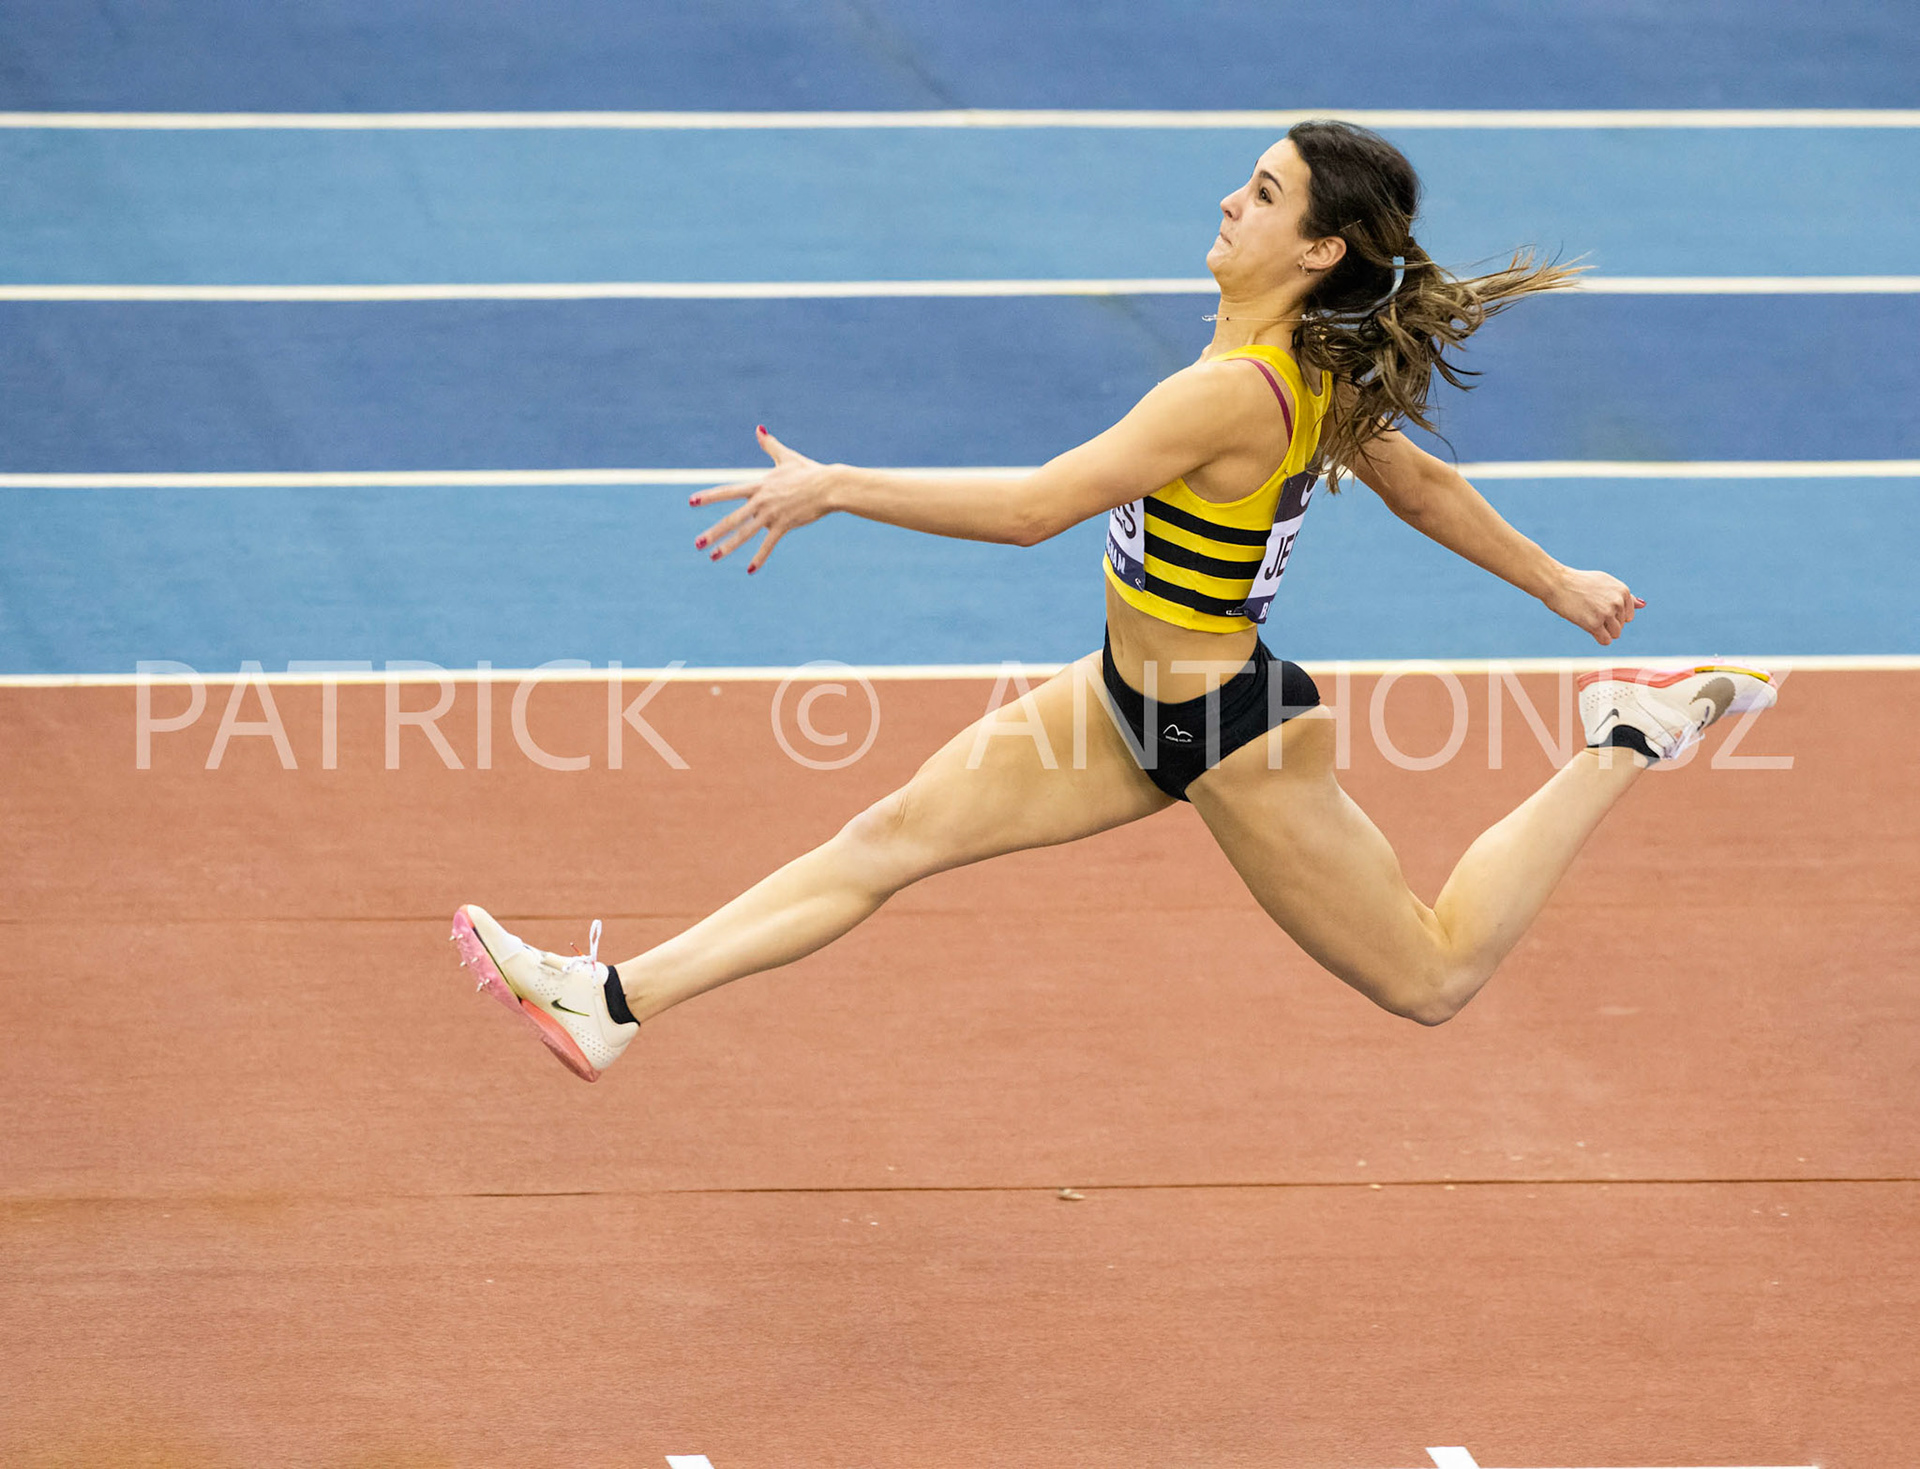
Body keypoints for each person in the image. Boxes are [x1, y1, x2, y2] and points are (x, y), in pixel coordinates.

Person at [451, 120, 1776, 1082]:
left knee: (1432, 974)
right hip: (1120, 696)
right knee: (886, 837)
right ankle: (611, 1001)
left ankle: (1624, 734)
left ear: (1315, 246)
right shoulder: (1305, 363)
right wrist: (1557, 580)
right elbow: (1417, 481)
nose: (1229, 202)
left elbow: (1037, 510)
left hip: (1229, 735)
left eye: (1261, 194)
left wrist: (840, 484)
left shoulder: (1233, 391)